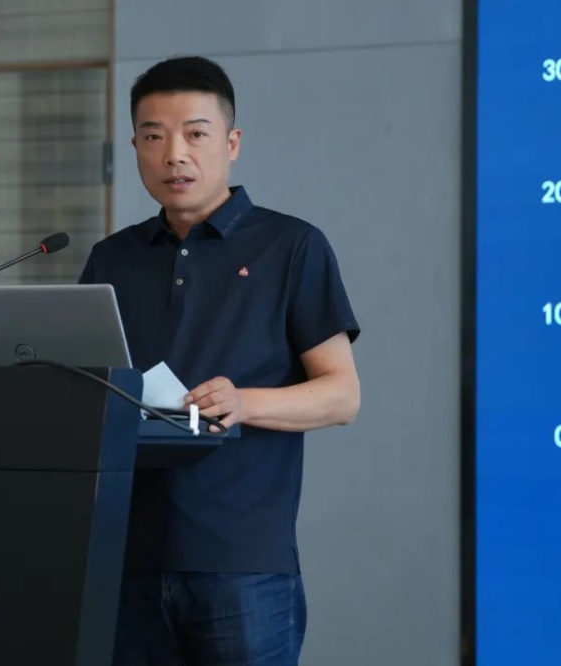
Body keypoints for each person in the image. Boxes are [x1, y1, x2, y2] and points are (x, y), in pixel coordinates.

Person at [78, 55, 362, 665]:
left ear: (231, 144)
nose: (174, 154)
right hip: (123, 558)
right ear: (135, 147)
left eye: (196, 134)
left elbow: (342, 395)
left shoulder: (292, 246)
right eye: (153, 137)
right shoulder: (112, 259)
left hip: (242, 564)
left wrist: (243, 402)